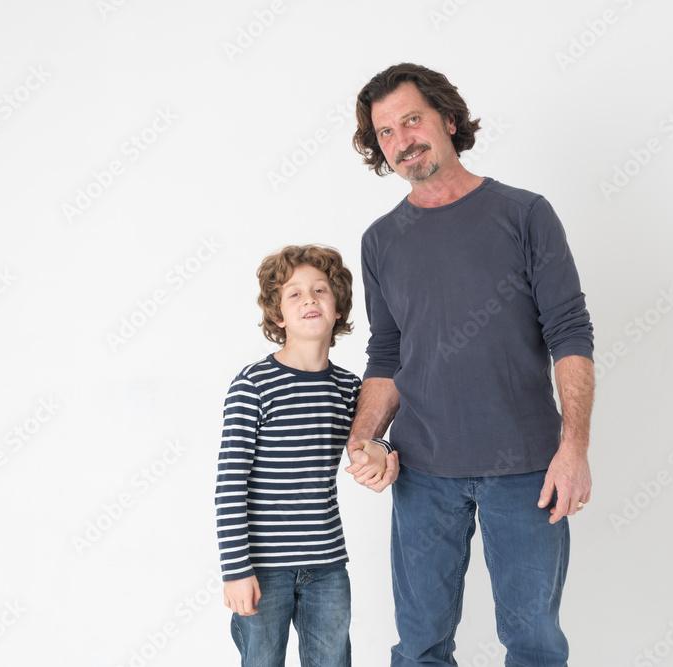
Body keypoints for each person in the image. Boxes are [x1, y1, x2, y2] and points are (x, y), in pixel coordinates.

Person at [345, 63, 596, 666]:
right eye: (385, 132)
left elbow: (570, 333)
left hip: (527, 469)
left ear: (448, 120)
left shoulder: (525, 214)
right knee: (421, 645)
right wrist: (362, 441)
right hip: (423, 472)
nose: (401, 139)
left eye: (412, 120)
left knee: (534, 642)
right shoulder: (381, 241)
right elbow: (386, 352)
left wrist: (574, 448)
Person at [215, 245, 393, 667]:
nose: (309, 298)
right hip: (262, 568)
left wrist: (381, 451)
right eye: (293, 294)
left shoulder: (350, 388)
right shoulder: (253, 385)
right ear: (278, 315)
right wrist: (236, 570)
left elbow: (372, 438)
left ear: (338, 310)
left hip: (328, 566)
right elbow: (229, 485)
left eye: (320, 290)